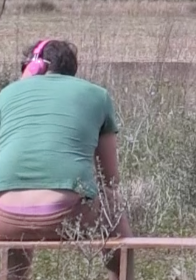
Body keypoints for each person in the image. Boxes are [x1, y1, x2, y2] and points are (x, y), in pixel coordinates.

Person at [0, 39, 131, 280]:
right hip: (65, 214)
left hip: (4, 218)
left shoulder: (5, 95)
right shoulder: (97, 95)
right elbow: (110, 178)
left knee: (15, 216)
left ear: (30, 67)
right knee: (113, 205)